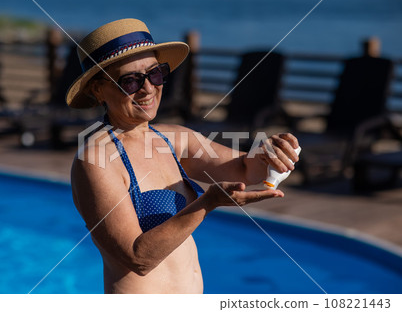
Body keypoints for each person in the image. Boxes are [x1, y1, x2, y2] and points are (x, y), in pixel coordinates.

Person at [68, 18, 299, 294]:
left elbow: (244, 170)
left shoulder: (174, 139)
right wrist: (207, 203)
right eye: (130, 80)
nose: (148, 89)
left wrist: (272, 153)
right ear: (97, 89)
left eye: (155, 74)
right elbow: (137, 258)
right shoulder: (96, 159)